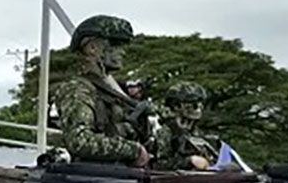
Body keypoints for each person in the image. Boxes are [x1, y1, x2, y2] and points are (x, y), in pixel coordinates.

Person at [53, 15, 152, 167]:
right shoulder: (78, 89)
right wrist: (132, 150)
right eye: (115, 45)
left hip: (119, 173)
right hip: (92, 176)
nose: (122, 52)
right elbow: (79, 141)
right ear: (92, 48)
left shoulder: (112, 90)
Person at [153, 82, 218, 170]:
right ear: (176, 106)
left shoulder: (197, 132)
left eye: (201, 105)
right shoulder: (166, 132)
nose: (199, 109)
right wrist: (189, 161)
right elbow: (160, 164)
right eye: (194, 105)